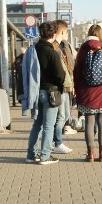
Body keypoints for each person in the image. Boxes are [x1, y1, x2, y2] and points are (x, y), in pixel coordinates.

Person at [25, 21, 65, 165]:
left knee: (37, 124)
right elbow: (60, 74)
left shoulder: (33, 50)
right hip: (51, 92)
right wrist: (59, 85)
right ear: (54, 35)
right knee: (49, 125)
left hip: (36, 92)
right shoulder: (51, 52)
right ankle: (45, 156)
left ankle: (31, 154)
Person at [74, 24, 102, 162]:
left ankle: (90, 154)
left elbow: (77, 73)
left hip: (87, 92)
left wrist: (78, 90)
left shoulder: (83, 51)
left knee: (89, 123)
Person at [53, 20, 76, 150]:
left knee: (65, 115)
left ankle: (55, 141)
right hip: (59, 87)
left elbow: (70, 64)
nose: (67, 34)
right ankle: (57, 142)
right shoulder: (55, 48)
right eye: (66, 31)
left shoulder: (64, 45)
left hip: (66, 85)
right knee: (61, 116)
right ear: (62, 31)